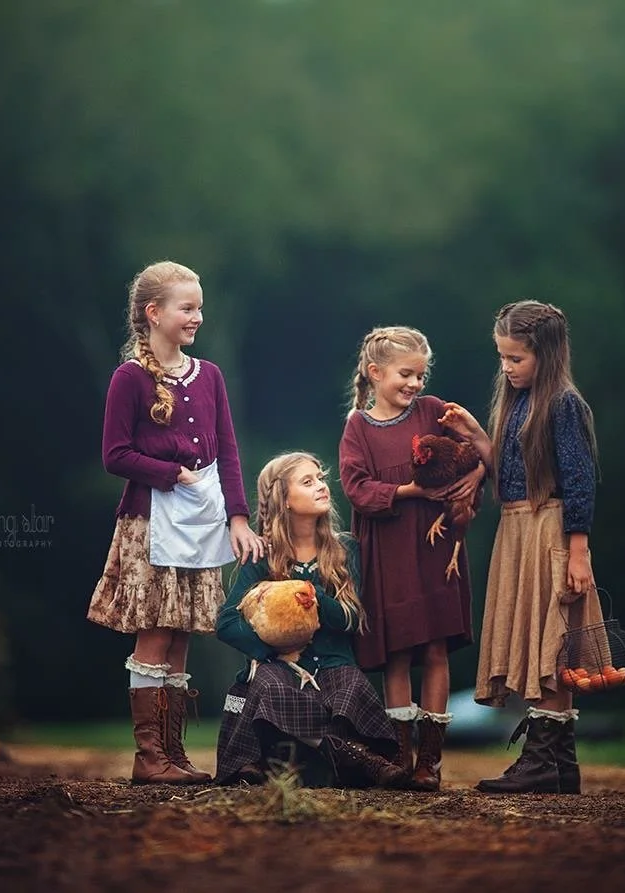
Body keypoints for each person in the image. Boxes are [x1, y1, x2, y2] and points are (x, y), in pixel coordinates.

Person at [88, 260, 266, 786]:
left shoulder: (208, 375)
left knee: (185, 632)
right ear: (154, 313)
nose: (197, 317)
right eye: (188, 308)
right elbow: (114, 455)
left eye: (200, 308)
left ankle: (174, 753)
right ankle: (149, 758)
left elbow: (229, 452)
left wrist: (238, 517)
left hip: (204, 520)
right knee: (156, 630)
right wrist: (171, 474)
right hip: (151, 522)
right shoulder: (130, 378)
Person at [438, 300, 605, 794]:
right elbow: (512, 474)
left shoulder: (563, 404)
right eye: (502, 358)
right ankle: (560, 764)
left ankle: (541, 763)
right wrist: (475, 434)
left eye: (516, 359)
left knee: (550, 642)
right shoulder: (520, 404)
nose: (507, 368)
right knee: (538, 640)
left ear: (546, 356)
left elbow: (578, 482)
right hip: (519, 527)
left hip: (550, 530)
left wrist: (577, 553)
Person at [337, 326, 483, 791]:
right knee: (397, 655)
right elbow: (356, 489)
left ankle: (430, 761)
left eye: (421, 375)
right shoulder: (357, 427)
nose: (415, 384)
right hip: (388, 553)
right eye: (406, 374)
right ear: (375, 373)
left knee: (436, 651)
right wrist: (409, 490)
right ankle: (400, 755)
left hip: (436, 550)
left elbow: (474, 453)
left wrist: (476, 475)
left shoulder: (434, 411)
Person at [215, 452, 407, 789]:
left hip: (333, 665)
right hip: (277, 667)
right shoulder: (263, 554)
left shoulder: (345, 549)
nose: (321, 486)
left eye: (320, 478)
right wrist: (272, 650)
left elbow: (351, 618)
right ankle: (351, 754)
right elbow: (226, 623)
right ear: (284, 500)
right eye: (308, 482)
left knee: (351, 685)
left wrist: (313, 594)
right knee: (260, 688)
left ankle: (310, 756)